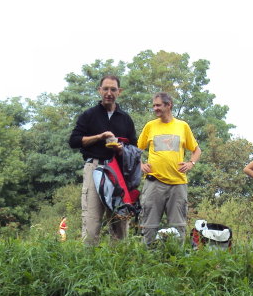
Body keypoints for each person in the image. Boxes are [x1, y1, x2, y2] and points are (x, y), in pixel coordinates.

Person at [68, 75, 138, 245]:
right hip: (95, 168)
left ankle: (118, 266)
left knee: (119, 224)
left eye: (113, 89)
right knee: (92, 224)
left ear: (119, 92)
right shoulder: (89, 115)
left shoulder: (125, 118)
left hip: (118, 173)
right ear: (99, 90)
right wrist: (99, 137)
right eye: (105, 89)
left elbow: (134, 148)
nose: (109, 93)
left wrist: (121, 149)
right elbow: (74, 141)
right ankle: (89, 265)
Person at [137, 92, 201, 245]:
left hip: (178, 184)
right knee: (149, 226)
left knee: (178, 227)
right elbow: (135, 149)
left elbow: (197, 150)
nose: (155, 108)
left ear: (169, 105)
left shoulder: (182, 126)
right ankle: (147, 260)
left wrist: (191, 163)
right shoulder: (150, 126)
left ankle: (176, 261)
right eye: (154, 105)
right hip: (154, 183)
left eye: (158, 105)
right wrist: (140, 164)